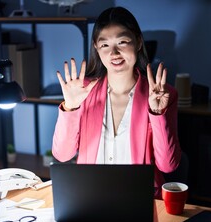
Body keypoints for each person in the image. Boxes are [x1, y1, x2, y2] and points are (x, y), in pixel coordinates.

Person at [52, 6, 181, 198]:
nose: (114, 53)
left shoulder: (162, 95)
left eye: (122, 42)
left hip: (140, 199)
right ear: (96, 47)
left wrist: (157, 114)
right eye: (105, 45)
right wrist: (71, 108)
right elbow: (62, 155)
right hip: (90, 197)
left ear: (137, 42)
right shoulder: (82, 92)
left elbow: (168, 166)